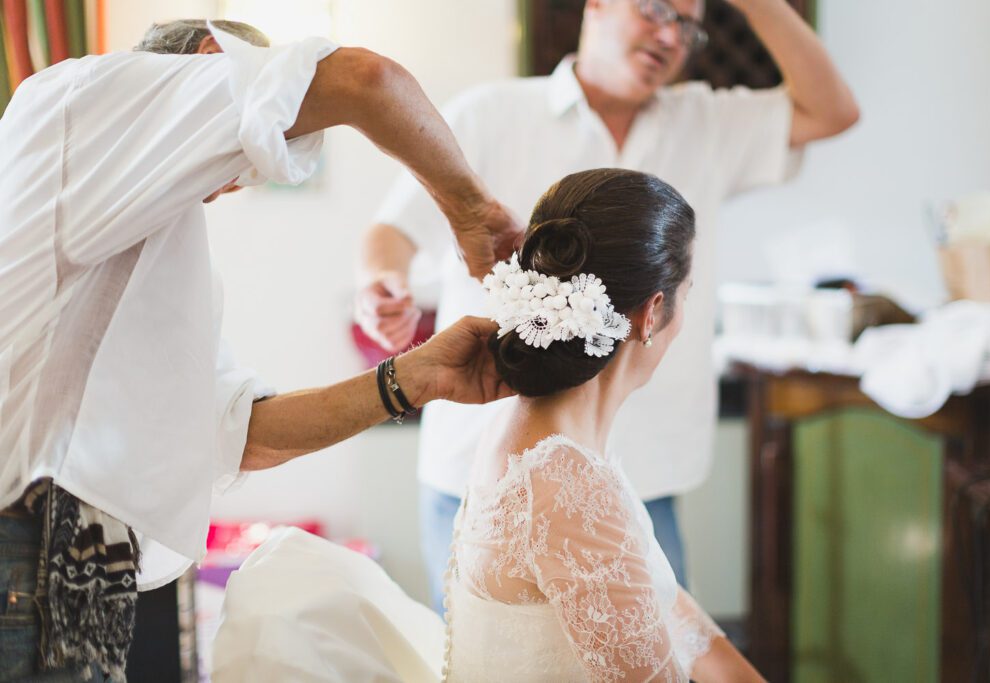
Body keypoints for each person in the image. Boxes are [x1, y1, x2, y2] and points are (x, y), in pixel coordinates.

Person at [0, 19, 518, 682]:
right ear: (214, 59)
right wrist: (473, 209)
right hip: (22, 543)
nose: (246, 179)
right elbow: (365, 80)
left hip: (84, 570)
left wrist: (415, 377)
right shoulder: (84, 102)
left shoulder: (159, 248)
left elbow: (238, 432)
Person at [356, 0, 859, 611]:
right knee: (486, 653)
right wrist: (383, 282)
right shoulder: (490, 114)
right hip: (483, 462)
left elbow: (834, 111)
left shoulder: (706, 121)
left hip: (642, 470)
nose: (670, 35)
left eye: (687, 24)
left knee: (657, 648)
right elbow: (394, 230)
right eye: (655, 10)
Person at [445, 168, 761, 681]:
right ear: (652, 313)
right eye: (688, 291)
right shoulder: (562, 482)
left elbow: (664, 604)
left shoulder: (550, 439)